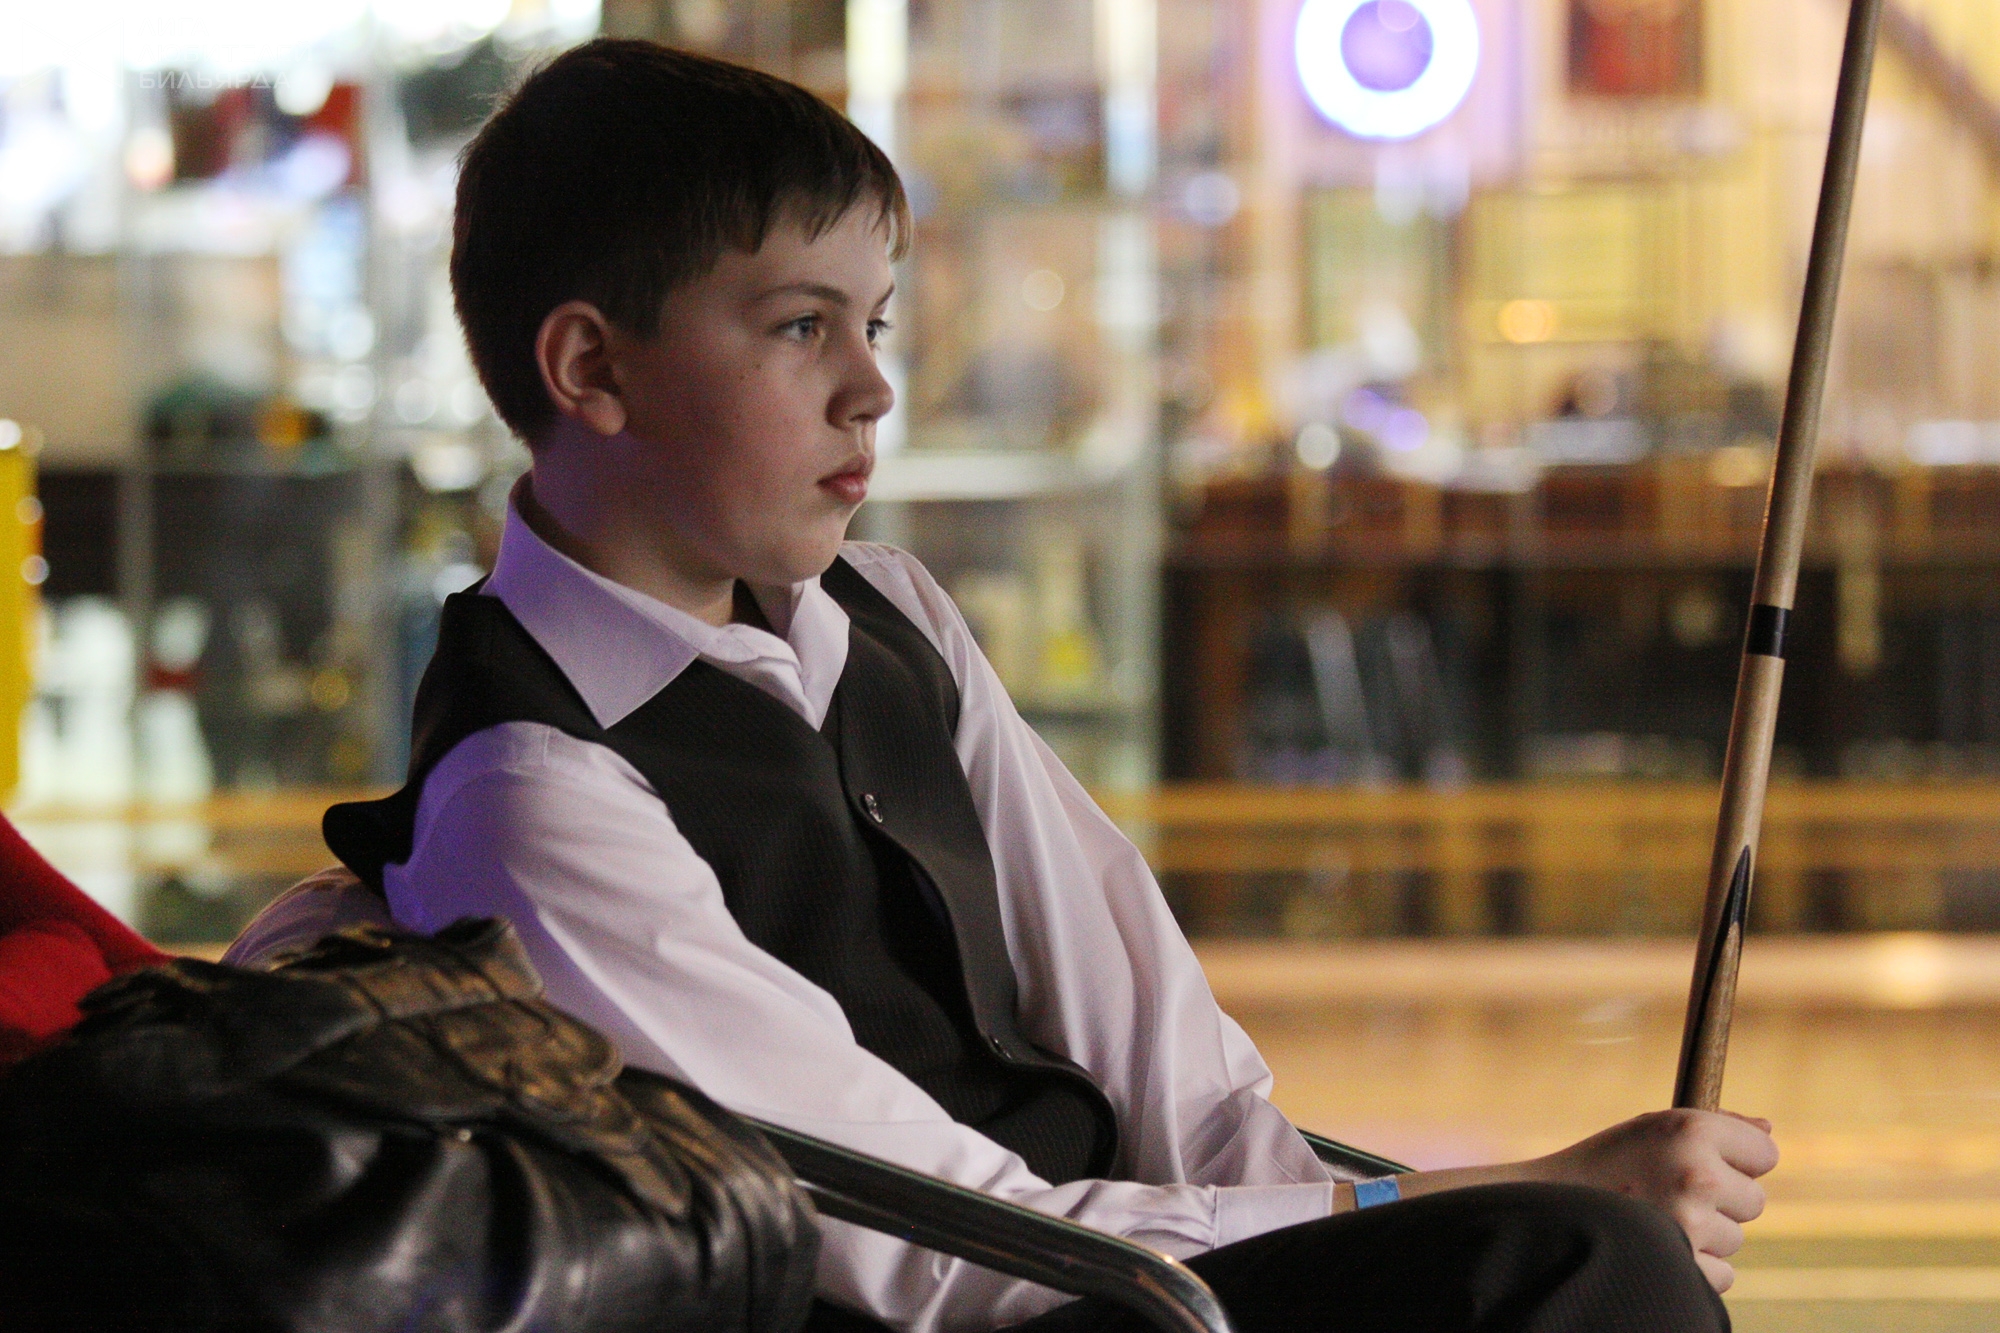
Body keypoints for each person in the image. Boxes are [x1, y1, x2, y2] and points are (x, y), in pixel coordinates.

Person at [240, 38, 1774, 1333]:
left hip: (1132, 1272)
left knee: (1598, 1256)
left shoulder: (890, 615)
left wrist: (1402, 1208)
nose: (873, 387)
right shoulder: (532, 790)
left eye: (875, 322)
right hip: (1012, 1301)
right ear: (591, 369)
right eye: (800, 326)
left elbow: (1171, 1062)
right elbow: (938, 1242)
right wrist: (1490, 1197)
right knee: (1584, 1263)